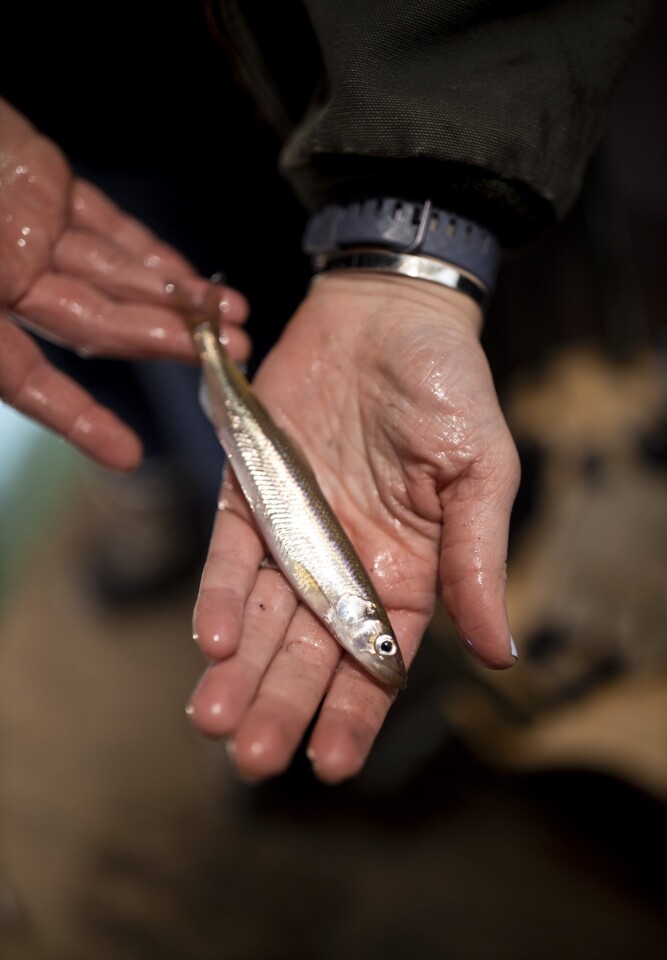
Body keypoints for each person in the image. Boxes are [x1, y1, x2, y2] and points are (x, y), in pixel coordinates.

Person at [1, 0, 655, 785]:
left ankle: (174, 457)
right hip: (36, 107)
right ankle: (159, 482)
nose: (373, 646)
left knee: (190, 276)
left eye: (379, 647)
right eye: (376, 643)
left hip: (214, 75)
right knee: (77, 315)